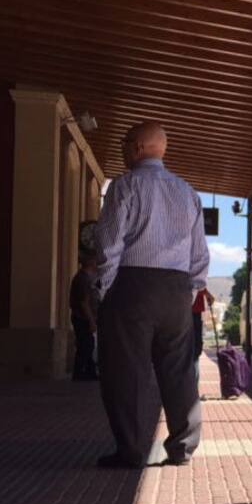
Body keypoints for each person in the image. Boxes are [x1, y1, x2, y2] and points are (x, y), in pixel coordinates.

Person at [94, 120, 210, 469]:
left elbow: (109, 243)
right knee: (178, 369)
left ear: (137, 147)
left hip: (132, 285)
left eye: (125, 142)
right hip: (176, 288)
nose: (122, 149)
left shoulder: (124, 186)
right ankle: (182, 447)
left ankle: (130, 449)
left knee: (124, 370)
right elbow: (200, 253)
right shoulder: (188, 192)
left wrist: (105, 287)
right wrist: (190, 290)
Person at [69, 252, 100, 380]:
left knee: (88, 344)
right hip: (82, 318)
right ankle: (80, 373)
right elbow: (84, 303)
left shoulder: (86, 278)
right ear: (90, 262)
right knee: (85, 345)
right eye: (95, 260)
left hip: (82, 317)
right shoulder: (83, 279)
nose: (97, 263)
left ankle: (90, 372)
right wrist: (91, 321)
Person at [191, 287, 215, 378]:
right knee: (194, 351)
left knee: (193, 351)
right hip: (192, 311)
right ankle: (192, 388)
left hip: (190, 311)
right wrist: (207, 293)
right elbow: (196, 282)